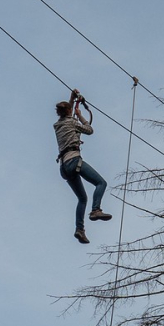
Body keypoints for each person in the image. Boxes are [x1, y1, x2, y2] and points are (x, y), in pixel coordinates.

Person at [53, 91, 111, 243]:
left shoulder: (58, 125)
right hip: (73, 160)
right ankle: (96, 210)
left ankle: (80, 229)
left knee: (82, 198)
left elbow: (67, 114)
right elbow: (89, 130)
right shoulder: (72, 122)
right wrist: (80, 117)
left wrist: (72, 99)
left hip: (64, 167)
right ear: (70, 113)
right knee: (101, 183)